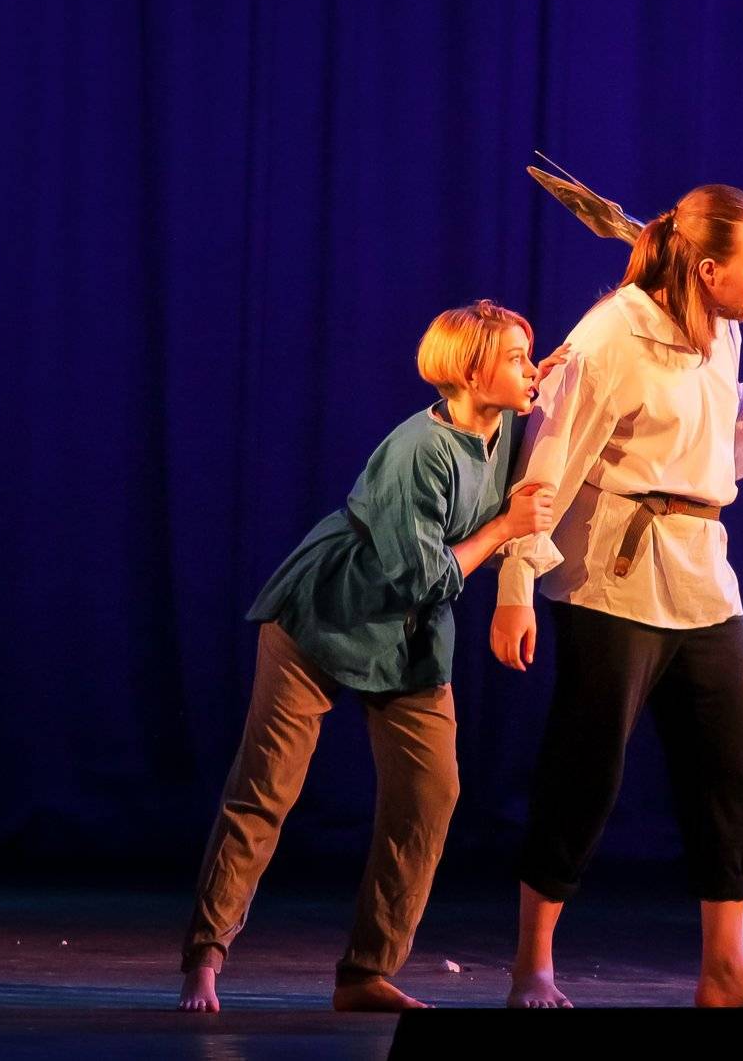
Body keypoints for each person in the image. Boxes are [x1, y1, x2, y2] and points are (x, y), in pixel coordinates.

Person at [489, 185, 743, 1012]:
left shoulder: (722, 331)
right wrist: (516, 585)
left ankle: (724, 969)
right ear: (706, 269)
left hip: (699, 572)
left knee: (741, 760)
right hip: (611, 575)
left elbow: (715, 441)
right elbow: (547, 461)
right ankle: (533, 965)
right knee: (586, 767)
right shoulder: (610, 336)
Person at [177, 300, 564, 1013]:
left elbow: (554, 391)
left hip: (408, 634)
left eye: (529, 356)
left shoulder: (508, 426)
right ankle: (206, 955)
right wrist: (505, 527)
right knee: (267, 786)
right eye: (515, 359)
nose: (530, 370)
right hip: (327, 614)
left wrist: (555, 370)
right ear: (471, 373)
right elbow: (423, 576)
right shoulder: (420, 450)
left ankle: (365, 972)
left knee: (430, 791)